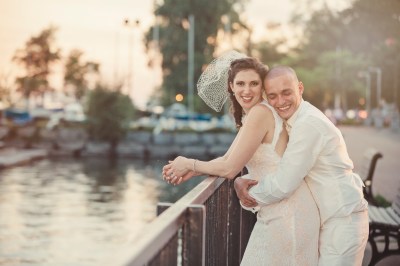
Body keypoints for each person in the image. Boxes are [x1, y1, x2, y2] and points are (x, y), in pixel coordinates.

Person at [163, 55, 320, 265]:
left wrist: (188, 163)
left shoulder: (261, 113)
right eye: (241, 84)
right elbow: (227, 159)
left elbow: (229, 168)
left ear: (262, 86)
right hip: (279, 210)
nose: (247, 90)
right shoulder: (254, 115)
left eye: (254, 83)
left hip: (288, 214)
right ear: (231, 86)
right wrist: (195, 171)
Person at [234, 65, 369, 266]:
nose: (280, 102)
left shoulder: (308, 124)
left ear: (300, 88)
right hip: (330, 219)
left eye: (286, 93)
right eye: (272, 96)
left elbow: (284, 184)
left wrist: (247, 195)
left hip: (343, 220)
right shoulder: (296, 119)